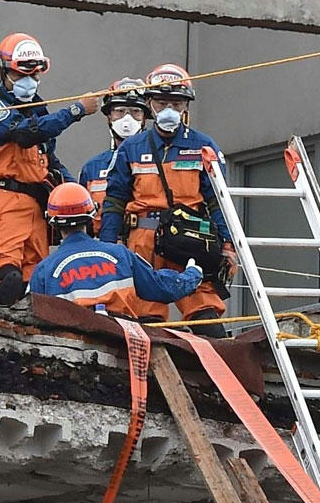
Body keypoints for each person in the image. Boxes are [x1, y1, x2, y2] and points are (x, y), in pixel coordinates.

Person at [100, 63, 235, 337]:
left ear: (186, 107)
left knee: (206, 318)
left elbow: (218, 202)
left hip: (192, 240)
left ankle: (215, 375)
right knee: (146, 322)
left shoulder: (203, 146)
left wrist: (228, 245)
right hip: (143, 244)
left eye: (175, 103)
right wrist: (107, 247)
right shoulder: (132, 148)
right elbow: (114, 201)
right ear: (150, 104)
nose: (169, 110)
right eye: (162, 103)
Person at [0, 33, 99, 306]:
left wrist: (79, 196)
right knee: (4, 284)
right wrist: (75, 111)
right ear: (2, 72)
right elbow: (25, 135)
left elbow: (50, 163)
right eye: (22, 74)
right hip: (0, 206)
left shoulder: (37, 111)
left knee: (35, 293)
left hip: (34, 213)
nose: (30, 81)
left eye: (36, 75)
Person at [29, 182, 205, 315]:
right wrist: (192, 275)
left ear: (52, 222)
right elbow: (162, 288)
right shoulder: (120, 255)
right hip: (122, 344)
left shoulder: (44, 271)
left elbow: (33, 317)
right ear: (92, 215)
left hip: (68, 352)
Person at [79, 77, 149, 233]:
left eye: (135, 111)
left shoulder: (160, 160)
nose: (127, 118)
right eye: (120, 111)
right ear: (108, 117)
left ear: (144, 118)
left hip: (143, 247)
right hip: (104, 249)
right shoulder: (92, 168)